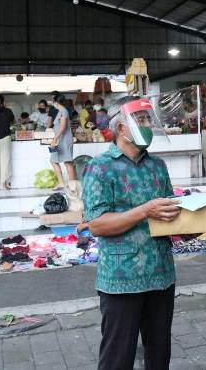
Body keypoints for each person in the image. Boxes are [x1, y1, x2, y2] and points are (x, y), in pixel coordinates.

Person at [82, 96, 180, 370]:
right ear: (121, 128)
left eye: (149, 119)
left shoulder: (157, 166)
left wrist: (196, 222)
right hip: (121, 278)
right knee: (117, 358)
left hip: (161, 276)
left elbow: (169, 212)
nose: (148, 125)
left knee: (159, 356)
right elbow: (97, 224)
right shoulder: (101, 167)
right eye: (141, 120)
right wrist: (145, 211)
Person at [50, 94, 77, 190]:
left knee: (67, 162)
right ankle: (61, 183)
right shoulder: (60, 111)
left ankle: (73, 185)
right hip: (59, 140)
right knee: (53, 160)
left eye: (53, 101)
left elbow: (63, 127)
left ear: (56, 102)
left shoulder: (63, 111)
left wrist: (55, 138)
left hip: (64, 140)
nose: (52, 103)